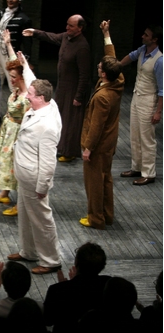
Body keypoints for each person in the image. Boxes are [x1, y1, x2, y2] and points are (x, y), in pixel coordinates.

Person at [7, 79, 62, 275]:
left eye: (30, 93)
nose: (26, 96)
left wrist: (42, 187)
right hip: (25, 177)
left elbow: (48, 162)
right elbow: (34, 78)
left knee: (41, 219)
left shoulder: (47, 125)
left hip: (34, 180)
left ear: (40, 97)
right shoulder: (47, 104)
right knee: (25, 215)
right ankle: (29, 251)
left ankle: (51, 260)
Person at [23, 14, 91, 162]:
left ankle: (69, 151)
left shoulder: (82, 47)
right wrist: (35, 32)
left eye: (71, 26)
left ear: (80, 28)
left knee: (71, 121)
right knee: (59, 116)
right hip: (63, 86)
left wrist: (78, 96)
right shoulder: (66, 37)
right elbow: (51, 37)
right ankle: (59, 147)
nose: (67, 28)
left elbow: (84, 75)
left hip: (74, 89)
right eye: (67, 24)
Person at [80, 20, 124, 230]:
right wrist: (106, 34)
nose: (98, 67)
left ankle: (96, 218)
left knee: (95, 183)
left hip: (98, 146)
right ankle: (107, 214)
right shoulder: (119, 80)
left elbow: (96, 126)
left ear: (104, 74)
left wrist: (88, 148)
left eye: (100, 67)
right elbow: (112, 58)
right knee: (106, 179)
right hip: (109, 143)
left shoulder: (103, 97)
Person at [0, 30, 34, 216]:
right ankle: (4, 193)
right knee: (5, 163)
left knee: (17, 167)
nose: (11, 79)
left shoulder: (29, 96)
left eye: (14, 77)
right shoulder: (16, 89)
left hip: (19, 134)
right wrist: (8, 44)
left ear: (23, 77)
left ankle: (19, 204)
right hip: (8, 130)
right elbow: (14, 63)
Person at [119, 25, 162, 186]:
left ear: (154, 39)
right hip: (137, 97)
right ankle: (136, 167)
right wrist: (116, 66)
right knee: (135, 135)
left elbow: (162, 90)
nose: (142, 36)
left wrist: (158, 112)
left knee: (147, 138)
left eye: (146, 35)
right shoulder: (143, 50)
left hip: (149, 100)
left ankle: (149, 173)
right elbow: (130, 57)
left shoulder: (160, 60)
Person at [43, 242, 111, 333]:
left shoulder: (57, 290)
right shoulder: (109, 284)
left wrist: (65, 286)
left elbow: (48, 320)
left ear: (76, 262)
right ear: (103, 265)